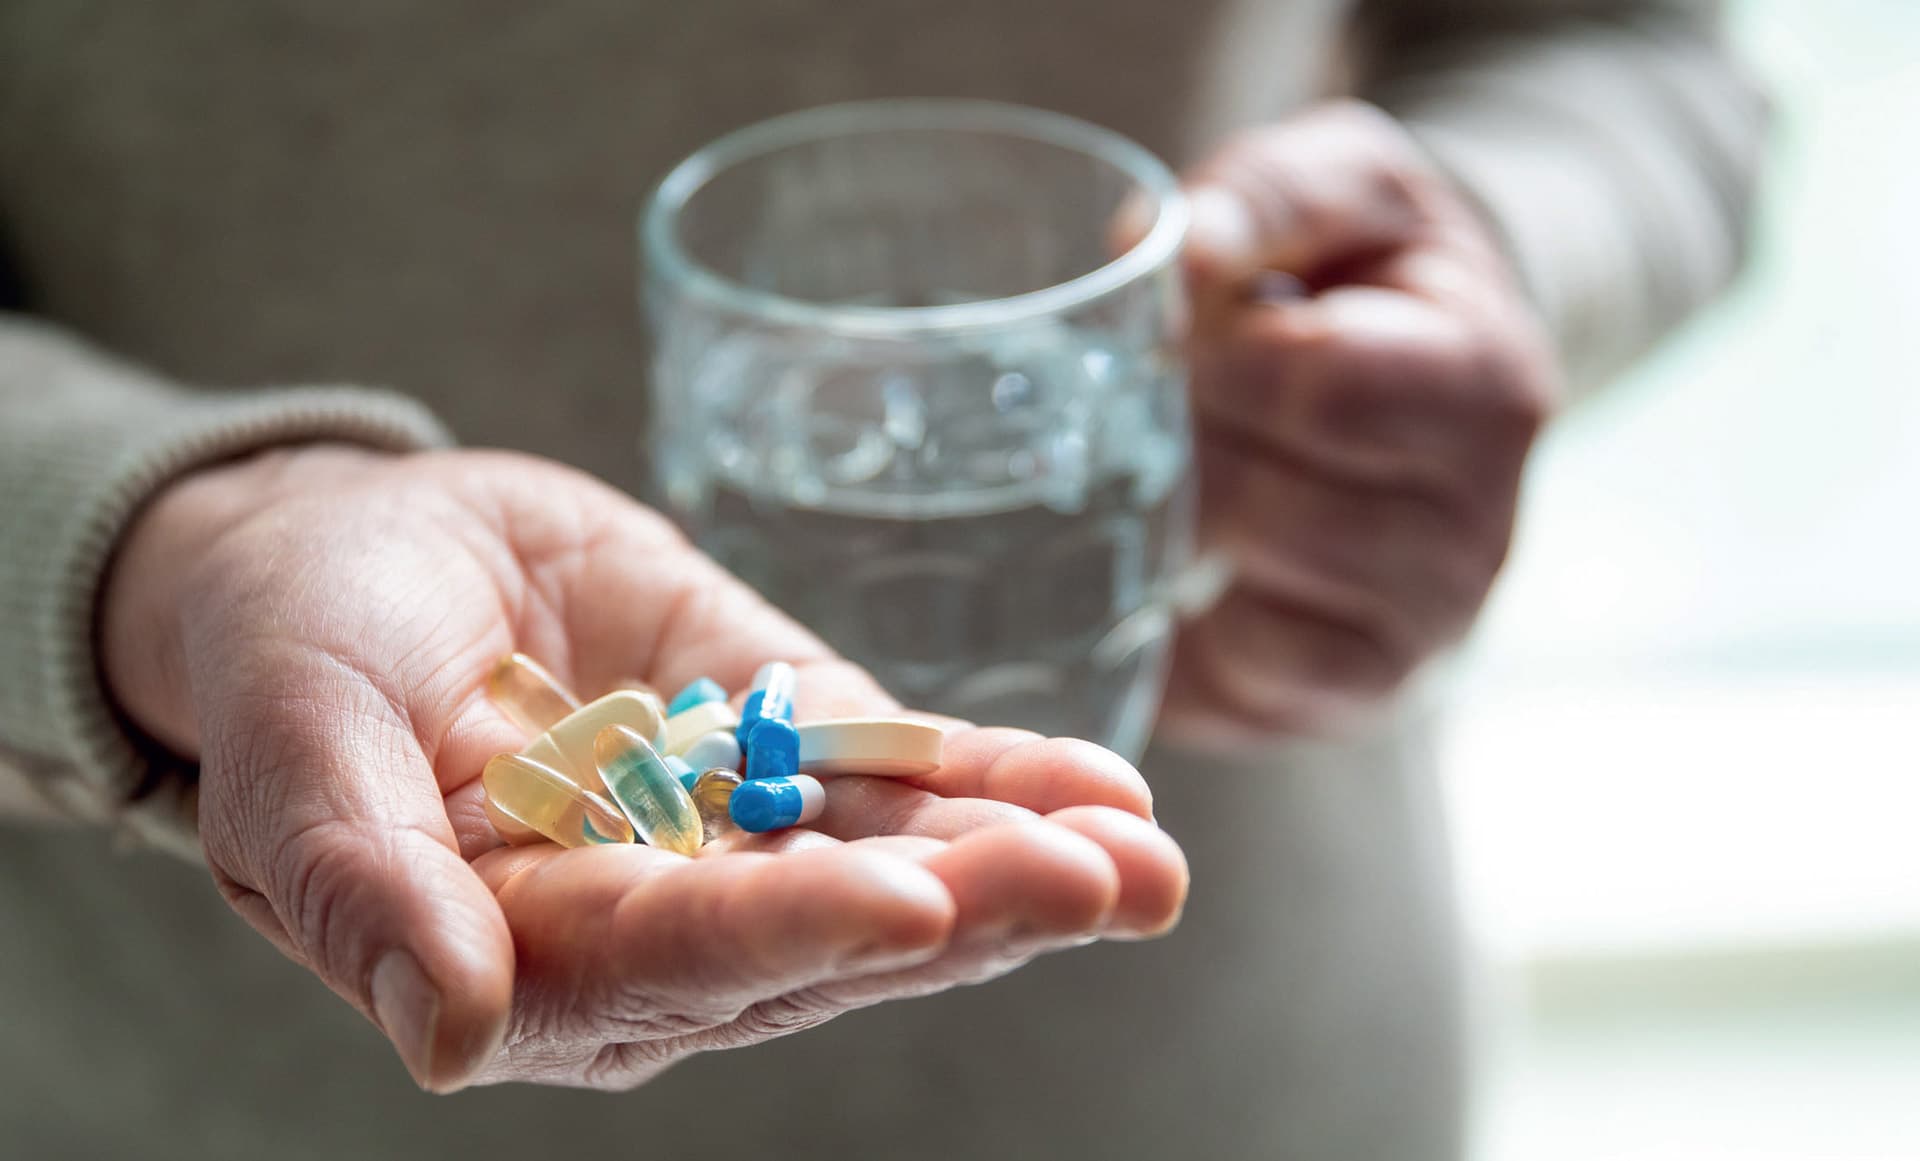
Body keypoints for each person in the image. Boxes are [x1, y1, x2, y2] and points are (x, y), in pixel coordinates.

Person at [0, 1, 1765, 1158]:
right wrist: (176, 534)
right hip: (213, 1089)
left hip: (1226, 1064)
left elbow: (1642, 60)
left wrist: (1489, 246)